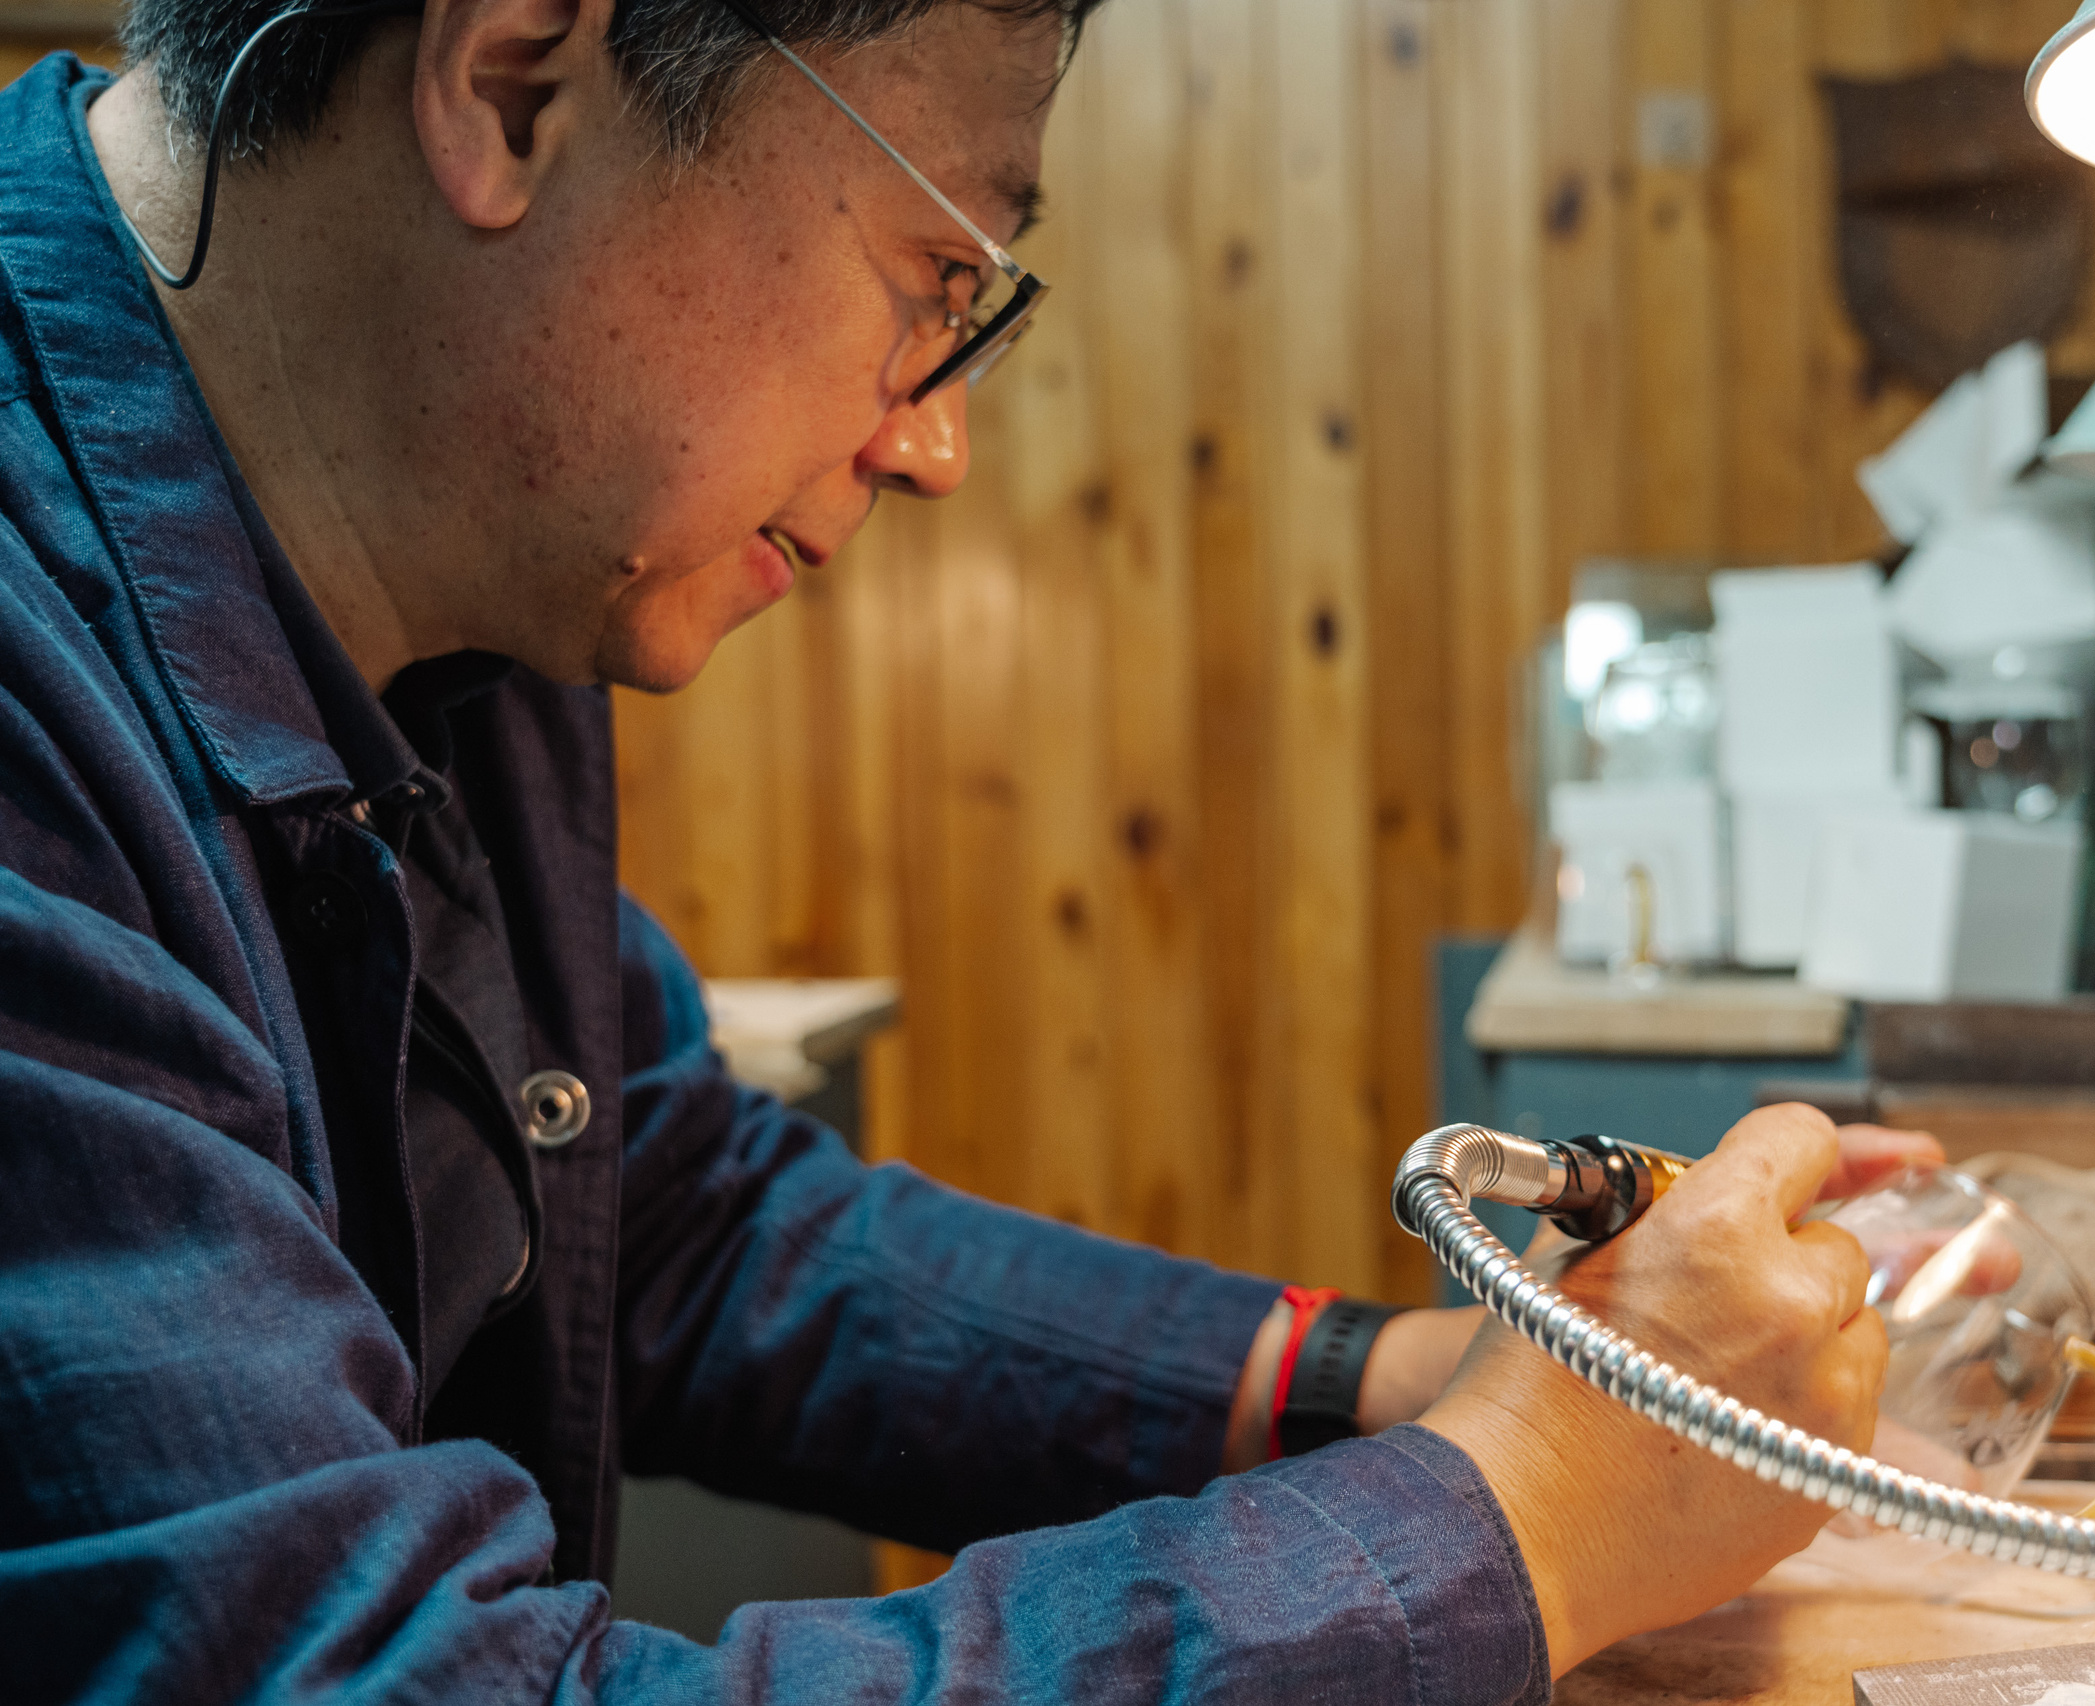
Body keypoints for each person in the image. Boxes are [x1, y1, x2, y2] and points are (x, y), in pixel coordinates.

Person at [0, 0, 1937, 1698]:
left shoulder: (460, 521)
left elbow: (666, 1216)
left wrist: (1393, 1383)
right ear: (514, 84)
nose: (933, 444)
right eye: (934, 279)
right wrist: (1525, 1510)